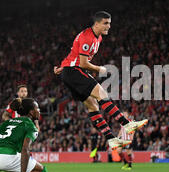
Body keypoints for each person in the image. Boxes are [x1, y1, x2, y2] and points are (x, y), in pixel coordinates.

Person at [53, 11, 147, 150]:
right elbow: (83, 63)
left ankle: (112, 139)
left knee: (93, 106)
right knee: (102, 94)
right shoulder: (88, 37)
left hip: (70, 71)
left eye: (109, 23)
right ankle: (126, 124)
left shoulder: (98, 38)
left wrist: (63, 67)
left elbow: (74, 53)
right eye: (105, 23)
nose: (108, 26)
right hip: (75, 71)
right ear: (96, 24)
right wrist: (99, 69)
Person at [2, 84, 40, 172]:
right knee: (20, 149)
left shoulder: (31, 103)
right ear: (18, 93)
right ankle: (19, 170)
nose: (24, 93)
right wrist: (10, 122)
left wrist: (36, 124)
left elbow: (35, 116)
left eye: (25, 91)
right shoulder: (14, 104)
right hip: (17, 129)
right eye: (22, 91)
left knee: (25, 148)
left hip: (27, 128)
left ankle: (22, 170)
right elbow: (5, 115)